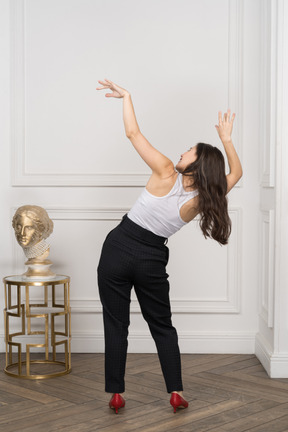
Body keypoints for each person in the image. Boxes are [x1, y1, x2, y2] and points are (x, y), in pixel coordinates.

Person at [96, 79, 242, 414]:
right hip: (151, 258)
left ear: (196, 162)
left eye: (189, 151)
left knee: (116, 323)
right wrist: (227, 141)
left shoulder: (163, 170)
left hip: (117, 248)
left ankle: (116, 394)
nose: (182, 152)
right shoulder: (204, 199)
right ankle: (175, 392)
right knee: (162, 324)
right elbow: (237, 172)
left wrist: (127, 97)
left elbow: (133, 134)